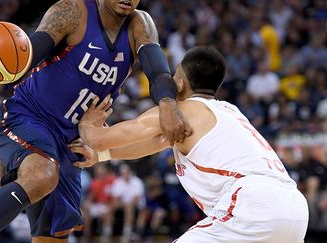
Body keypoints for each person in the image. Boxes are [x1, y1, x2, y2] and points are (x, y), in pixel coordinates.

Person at [0, 0, 191, 242]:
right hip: (29, 117)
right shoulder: (72, 11)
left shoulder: (139, 24)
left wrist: (168, 102)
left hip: (70, 142)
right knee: (41, 176)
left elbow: (159, 73)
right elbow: (30, 54)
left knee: (54, 235)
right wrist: (4, 71)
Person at [71, 46, 309, 242]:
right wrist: (101, 156)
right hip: (295, 209)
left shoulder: (182, 110)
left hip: (253, 203)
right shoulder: (228, 112)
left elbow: (99, 139)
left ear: (181, 84)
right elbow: (154, 143)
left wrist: (88, 124)